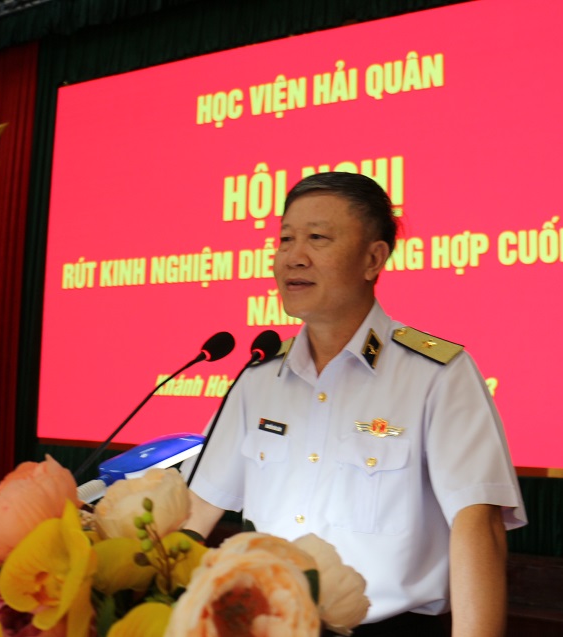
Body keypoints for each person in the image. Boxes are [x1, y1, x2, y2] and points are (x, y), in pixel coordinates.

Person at [182, 172, 526, 636]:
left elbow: (477, 523)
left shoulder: (436, 375)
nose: (293, 256)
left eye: (317, 238)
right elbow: (197, 508)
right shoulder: (258, 377)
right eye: (285, 239)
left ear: (372, 258)